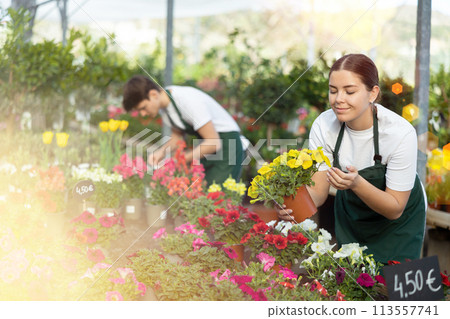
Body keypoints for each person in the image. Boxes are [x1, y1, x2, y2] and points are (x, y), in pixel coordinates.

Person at [278, 53, 426, 264]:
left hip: (400, 224)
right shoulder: (324, 126)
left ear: (372, 93)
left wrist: (357, 183)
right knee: (353, 284)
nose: (339, 99)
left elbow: (395, 208)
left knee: (395, 292)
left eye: (350, 91)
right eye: (333, 91)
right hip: (353, 217)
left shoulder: (399, 133)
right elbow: (319, 192)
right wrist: (292, 206)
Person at [122, 75, 247, 186]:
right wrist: (161, 152)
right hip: (208, 147)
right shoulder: (164, 106)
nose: (143, 113)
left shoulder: (186, 101)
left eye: (143, 108)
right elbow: (177, 138)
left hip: (227, 145)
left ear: (154, 94)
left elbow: (213, 143)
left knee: (220, 198)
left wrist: (178, 161)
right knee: (203, 194)